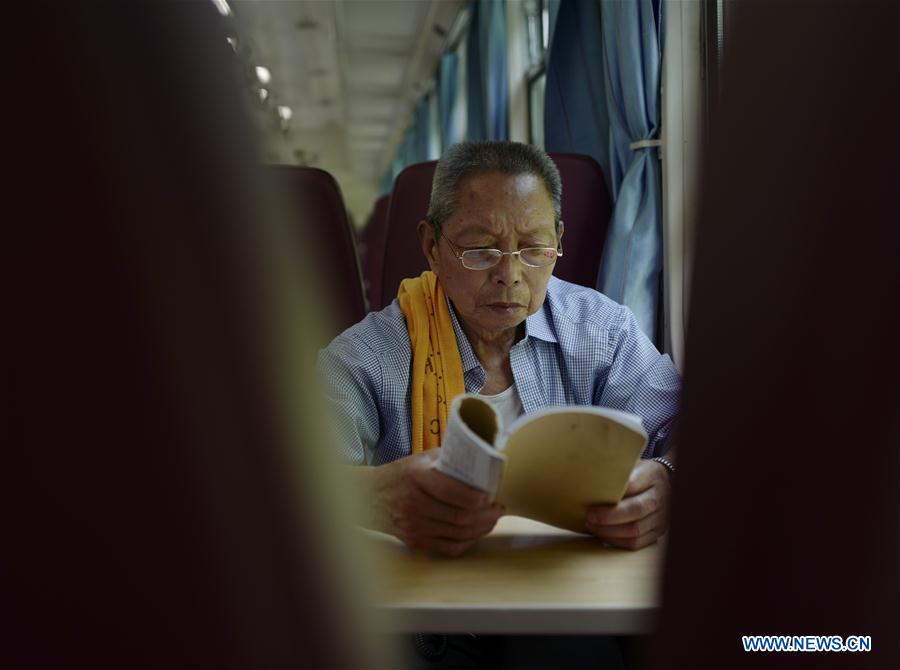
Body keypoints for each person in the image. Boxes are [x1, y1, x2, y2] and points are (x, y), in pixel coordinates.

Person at [319, 140, 681, 555]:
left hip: (577, 601)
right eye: (479, 250)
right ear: (432, 247)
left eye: (533, 249)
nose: (509, 275)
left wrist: (666, 477)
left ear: (558, 239)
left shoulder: (602, 332)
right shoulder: (369, 358)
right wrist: (371, 499)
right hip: (431, 610)